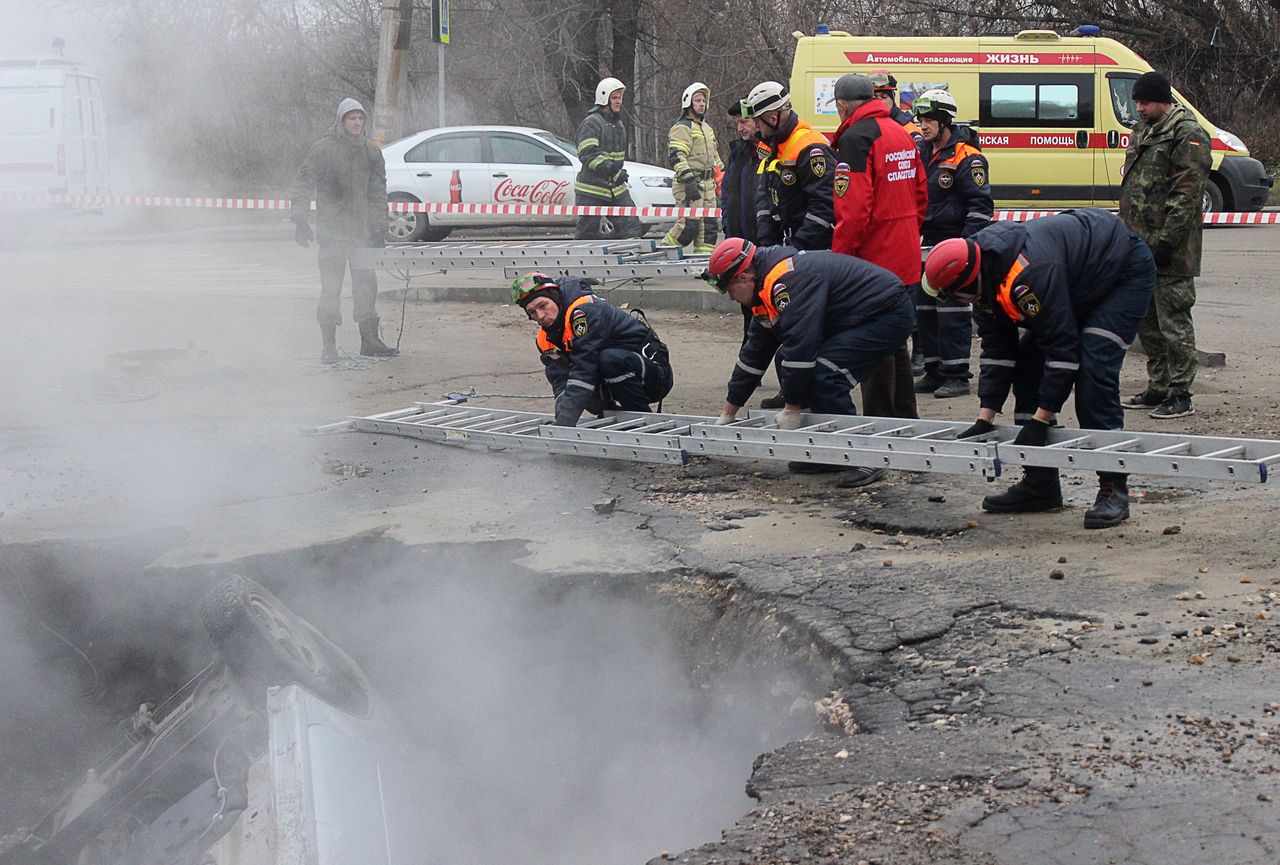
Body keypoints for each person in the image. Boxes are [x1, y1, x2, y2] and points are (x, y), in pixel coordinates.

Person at [922, 208, 1156, 528]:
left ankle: (1113, 488)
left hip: (1121, 272)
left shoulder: (1028, 275)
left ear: (969, 282)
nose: (957, 302)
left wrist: (1040, 419)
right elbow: (998, 351)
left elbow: (1062, 352)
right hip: (1076, 278)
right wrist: (984, 416)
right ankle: (1040, 483)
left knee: (1093, 372)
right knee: (1027, 368)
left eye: (955, 295)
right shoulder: (984, 275)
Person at [703, 237, 915, 488]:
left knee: (825, 373)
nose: (731, 297)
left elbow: (801, 344)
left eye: (730, 289)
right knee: (786, 359)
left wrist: (792, 409)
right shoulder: (763, 289)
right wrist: (728, 413)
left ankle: (865, 455)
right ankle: (829, 449)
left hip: (886, 314)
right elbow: (755, 354)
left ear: (745, 275)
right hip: (859, 314)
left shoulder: (786, 282)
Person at [830, 73, 927, 426]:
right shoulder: (900, 132)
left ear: (842, 105)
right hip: (903, 255)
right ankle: (906, 419)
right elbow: (920, 194)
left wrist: (841, 262)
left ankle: (880, 426)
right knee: (896, 340)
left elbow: (852, 211)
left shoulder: (857, 138)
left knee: (873, 344)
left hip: (872, 260)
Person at [1118, 71, 1212, 420]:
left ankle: (1180, 393)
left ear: (1162, 100)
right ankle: (1158, 385)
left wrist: (1166, 243)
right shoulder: (1144, 130)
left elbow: (1186, 196)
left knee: (1173, 320)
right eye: (1137, 102)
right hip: (1138, 243)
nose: (1139, 108)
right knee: (1146, 320)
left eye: (1144, 102)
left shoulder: (1187, 133)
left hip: (1171, 250)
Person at [288, 98, 398, 363]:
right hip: (332, 233)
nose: (357, 123)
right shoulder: (323, 150)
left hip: (362, 234)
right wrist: (300, 219)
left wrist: (379, 228)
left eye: (360, 118)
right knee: (331, 289)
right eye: (351, 118)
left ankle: (369, 341)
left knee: (366, 287)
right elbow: (303, 184)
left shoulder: (372, 152)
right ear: (341, 120)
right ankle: (329, 347)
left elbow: (377, 193)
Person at [912, 88, 993, 400]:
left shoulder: (967, 157)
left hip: (954, 245)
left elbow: (980, 207)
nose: (923, 125)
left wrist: (966, 248)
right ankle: (934, 372)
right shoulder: (922, 151)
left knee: (952, 312)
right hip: (925, 243)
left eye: (929, 119)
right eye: (921, 119)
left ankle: (957, 375)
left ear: (945, 121)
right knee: (924, 309)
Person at [511, 272, 672, 427]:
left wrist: (566, 422)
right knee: (570, 376)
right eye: (532, 312)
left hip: (654, 376)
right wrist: (561, 420)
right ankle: (609, 414)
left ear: (555, 298)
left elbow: (584, 367)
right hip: (615, 375)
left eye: (543, 306)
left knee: (607, 360)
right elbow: (560, 379)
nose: (540, 315)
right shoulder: (544, 338)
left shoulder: (586, 312)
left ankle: (643, 419)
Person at [747, 81, 836, 252]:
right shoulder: (773, 147)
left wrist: (796, 247)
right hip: (789, 245)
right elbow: (765, 200)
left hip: (815, 249)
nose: (755, 127)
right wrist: (768, 245)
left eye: (757, 121)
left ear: (773, 118)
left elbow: (824, 206)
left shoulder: (811, 148)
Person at [574, 77, 643, 240]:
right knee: (587, 233)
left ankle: (628, 261)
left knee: (631, 225)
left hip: (615, 187)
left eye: (620, 97)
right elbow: (588, 153)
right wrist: (612, 169)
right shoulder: (592, 123)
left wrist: (617, 172)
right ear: (604, 98)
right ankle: (584, 263)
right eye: (615, 98)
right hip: (592, 189)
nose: (619, 101)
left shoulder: (618, 125)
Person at [660, 82, 723, 254]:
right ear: (688, 103)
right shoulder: (682, 127)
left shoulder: (707, 129)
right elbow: (677, 155)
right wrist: (688, 180)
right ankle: (661, 253)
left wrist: (722, 178)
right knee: (689, 226)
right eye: (697, 100)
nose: (702, 104)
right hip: (690, 184)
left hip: (708, 185)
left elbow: (714, 157)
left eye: (703, 100)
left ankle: (702, 264)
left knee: (709, 228)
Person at [867, 71, 924, 149]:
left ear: (893, 98)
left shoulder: (908, 129)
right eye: (874, 98)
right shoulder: (861, 125)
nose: (879, 102)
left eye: (884, 97)